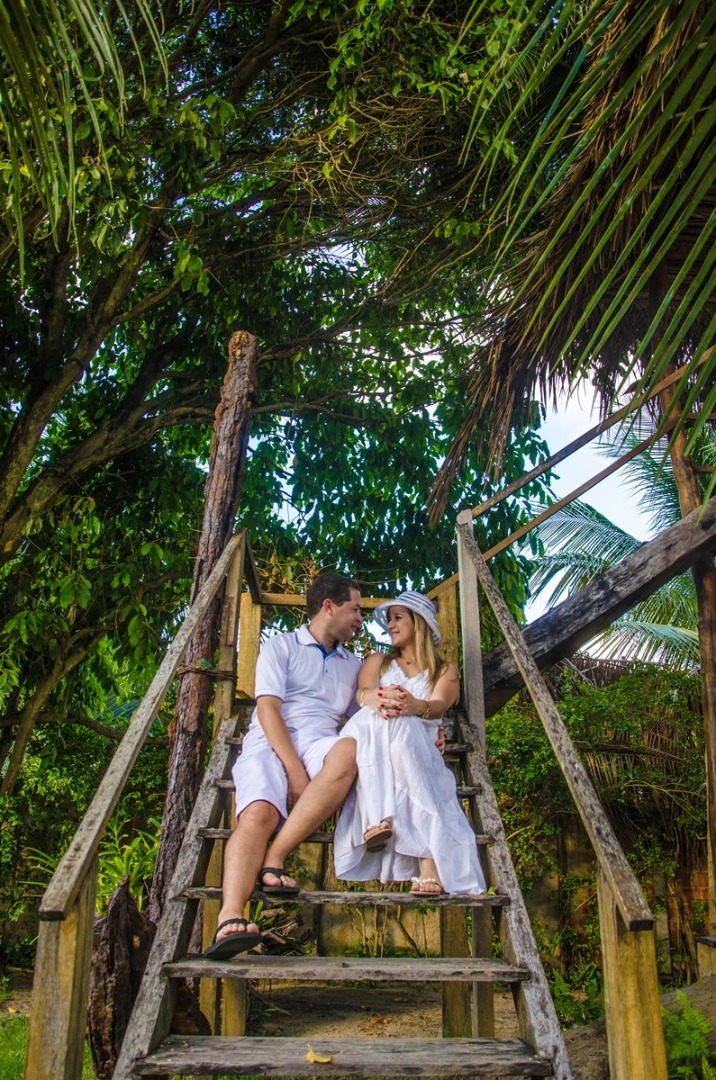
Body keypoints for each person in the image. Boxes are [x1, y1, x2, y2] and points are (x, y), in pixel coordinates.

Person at [205, 573, 364, 960]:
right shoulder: (281, 646)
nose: (361, 618)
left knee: (352, 749)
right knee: (257, 812)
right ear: (328, 606)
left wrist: (429, 727)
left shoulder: (353, 664)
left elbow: (370, 714)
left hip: (320, 740)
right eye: (355, 608)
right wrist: (295, 771)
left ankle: (275, 856)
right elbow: (267, 709)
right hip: (270, 739)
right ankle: (230, 916)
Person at [332, 591, 486, 896]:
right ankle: (428, 861)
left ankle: (378, 818)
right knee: (382, 720)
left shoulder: (444, 671)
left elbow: (440, 704)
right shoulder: (378, 661)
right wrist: (376, 698)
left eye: (397, 617)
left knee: (405, 731)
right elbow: (363, 692)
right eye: (389, 619)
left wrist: (416, 707)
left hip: (418, 748)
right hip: (378, 740)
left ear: (419, 623)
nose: (390, 624)